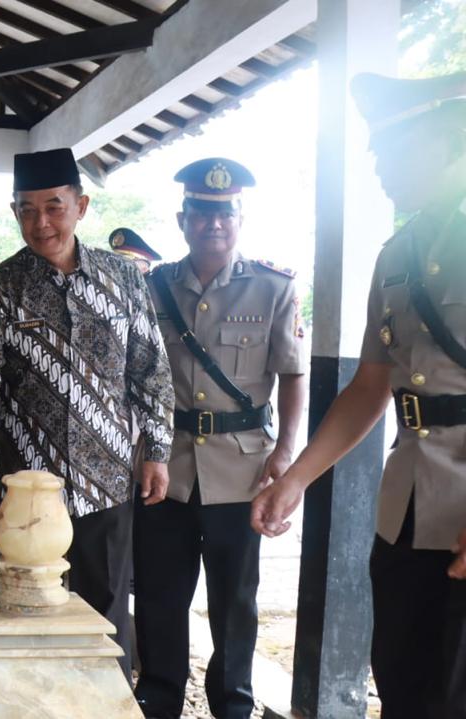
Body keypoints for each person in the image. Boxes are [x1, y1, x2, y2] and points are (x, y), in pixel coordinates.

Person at [251, 71, 466, 718]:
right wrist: (297, 478)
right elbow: (371, 384)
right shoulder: (397, 256)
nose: (377, 166)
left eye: (391, 148)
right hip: (405, 511)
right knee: (404, 684)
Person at [0, 148, 175, 677]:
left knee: (107, 613)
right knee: (26, 613)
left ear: (81, 207)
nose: (41, 223)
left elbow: (149, 370)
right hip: (26, 489)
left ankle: (110, 706)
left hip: (107, 477)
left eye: (54, 207)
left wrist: (156, 451)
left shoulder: (124, 281)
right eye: (27, 209)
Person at [134, 159, 307, 719]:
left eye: (224, 214)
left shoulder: (273, 286)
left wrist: (285, 451)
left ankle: (232, 705)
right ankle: (159, 700)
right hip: (166, 470)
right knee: (162, 597)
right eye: (203, 214)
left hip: (243, 471)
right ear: (183, 219)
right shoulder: (153, 287)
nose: (214, 224)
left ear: (240, 218)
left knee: (235, 602)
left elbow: (293, 372)